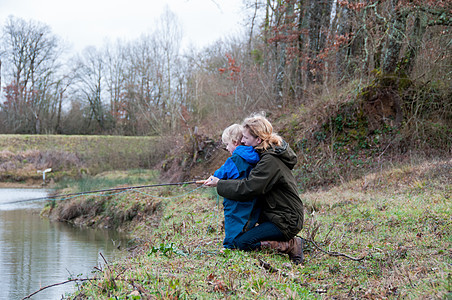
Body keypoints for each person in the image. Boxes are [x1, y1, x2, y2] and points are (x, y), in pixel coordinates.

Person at [204, 113, 304, 264]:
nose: (242, 141)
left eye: (245, 138)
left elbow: (249, 187)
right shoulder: (265, 155)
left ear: (258, 139)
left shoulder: (270, 161)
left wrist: (220, 183)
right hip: (274, 214)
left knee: (241, 243)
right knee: (243, 238)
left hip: (286, 220)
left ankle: (290, 245)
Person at [213, 124, 261, 249]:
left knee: (232, 221)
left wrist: (213, 178)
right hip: (252, 198)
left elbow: (222, 173)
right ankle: (243, 242)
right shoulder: (255, 156)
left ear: (234, 142)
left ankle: (229, 246)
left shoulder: (235, 159)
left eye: (227, 145)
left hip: (235, 199)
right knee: (247, 222)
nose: (227, 148)